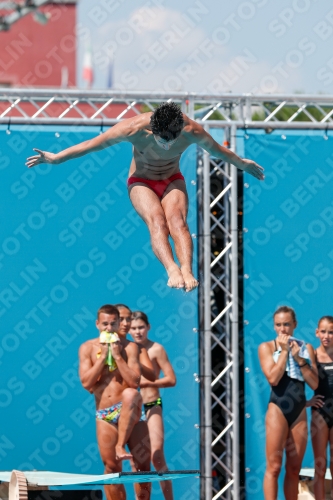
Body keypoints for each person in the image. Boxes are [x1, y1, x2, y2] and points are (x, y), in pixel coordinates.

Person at [26, 102, 264, 292]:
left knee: (178, 222)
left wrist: (242, 163)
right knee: (157, 221)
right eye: (163, 139)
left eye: (172, 140)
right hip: (141, 181)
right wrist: (57, 158)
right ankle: (172, 269)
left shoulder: (191, 130)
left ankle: (187, 270)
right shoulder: (133, 128)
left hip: (172, 178)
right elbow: (92, 144)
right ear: (153, 128)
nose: (168, 145)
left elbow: (217, 150)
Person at [78, 304, 151, 500]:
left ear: (118, 323)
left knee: (143, 465)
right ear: (97, 324)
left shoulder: (130, 348)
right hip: (106, 413)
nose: (109, 328)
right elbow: (86, 383)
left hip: (130, 411)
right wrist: (102, 359)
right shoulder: (87, 348)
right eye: (104, 324)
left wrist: (118, 356)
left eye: (113, 324)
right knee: (111, 467)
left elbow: (134, 382)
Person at [258, 306, 318, 500]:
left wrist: (299, 359)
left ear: (294, 325)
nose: (282, 329)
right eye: (278, 325)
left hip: (298, 410)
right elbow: (273, 379)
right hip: (278, 407)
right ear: (274, 326)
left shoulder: (306, 347)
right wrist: (284, 352)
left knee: (293, 468)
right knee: (274, 467)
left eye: (286, 324)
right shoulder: (266, 347)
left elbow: (315, 382)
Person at [130, 310, 176, 500]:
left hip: (152, 405)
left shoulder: (156, 349)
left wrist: (149, 383)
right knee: (136, 464)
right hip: (133, 410)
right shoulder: (126, 350)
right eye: (133, 328)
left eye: (141, 327)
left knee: (157, 458)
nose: (138, 332)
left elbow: (171, 379)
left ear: (148, 327)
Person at [306, 315, 333, 499]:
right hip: (320, 413)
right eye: (323, 331)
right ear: (317, 333)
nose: (327, 335)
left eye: (331, 332)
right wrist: (306, 402)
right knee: (320, 465)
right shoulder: (311, 356)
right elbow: (293, 383)